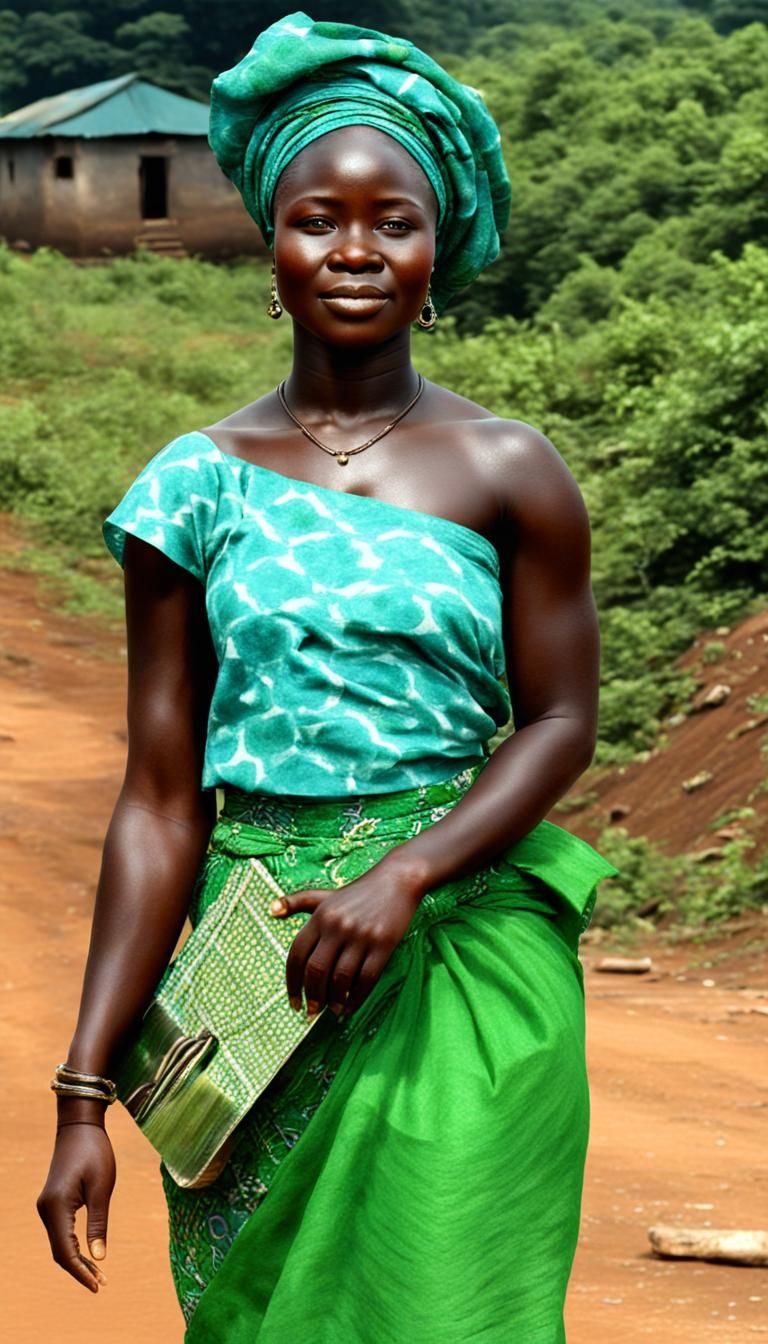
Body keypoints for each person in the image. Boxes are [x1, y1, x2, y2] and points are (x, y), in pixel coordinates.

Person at [37, 12, 617, 1341]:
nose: (354, 250)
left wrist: (406, 871)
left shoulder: (510, 472)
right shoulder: (193, 487)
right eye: (318, 218)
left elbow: (565, 718)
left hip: (460, 951)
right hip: (253, 983)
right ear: (270, 243)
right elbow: (159, 800)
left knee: (453, 1298)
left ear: (438, 251)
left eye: (391, 221)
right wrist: (81, 1091)